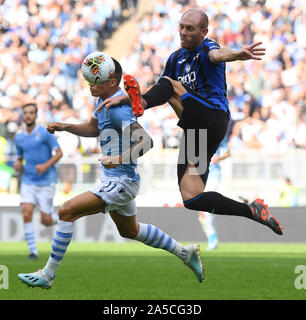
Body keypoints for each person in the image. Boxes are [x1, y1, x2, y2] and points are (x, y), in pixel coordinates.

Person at [18, 59, 205, 289]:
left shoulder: (118, 109)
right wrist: (65, 126)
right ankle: (185, 253)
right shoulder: (102, 101)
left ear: (113, 82)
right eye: (89, 79)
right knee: (130, 230)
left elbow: (145, 141)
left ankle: (48, 274)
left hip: (122, 181)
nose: (90, 84)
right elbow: (93, 128)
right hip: (114, 180)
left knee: (66, 211)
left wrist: (117, 159)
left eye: (96, 80)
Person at [99, 8, 283, 236]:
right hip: (196, 130)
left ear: (204, 32)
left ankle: (141, 106)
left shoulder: (207, 47)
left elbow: (217, 56)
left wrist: (236, 54)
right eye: (182, 27)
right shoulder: (175, 58)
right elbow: (160, 89)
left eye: (190, 29)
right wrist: (127, 98)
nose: (184, 32)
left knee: (169, 83)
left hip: (212, 116)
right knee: (191, 196)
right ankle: (252, 211)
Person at [14, 103, 63, 259]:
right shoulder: (19, 138)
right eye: (26, 113)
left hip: (46, 181)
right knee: (26, 213)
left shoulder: (45, 133)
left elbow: (59, 153)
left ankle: (62, 219)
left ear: (35, 115)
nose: (28, 115)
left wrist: (45, 165)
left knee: (46, 221)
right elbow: (20, 156)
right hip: (28, 180)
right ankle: (33, 252)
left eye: (31, 113)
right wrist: (18, 162)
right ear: (23, 115)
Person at [198, 138, 230, 251]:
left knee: (207, 208)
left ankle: (213, 240)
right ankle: (212, 238)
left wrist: (218, 158)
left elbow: (228, 152)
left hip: (213, 176)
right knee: (201, 214)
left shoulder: (219, 133)